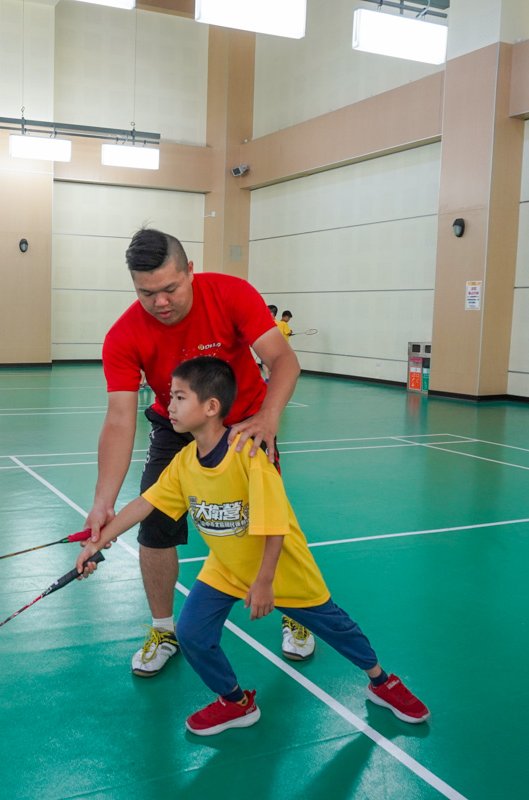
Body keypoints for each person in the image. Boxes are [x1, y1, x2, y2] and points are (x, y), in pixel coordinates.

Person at [76, 357, 429, 735]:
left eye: (179, 398)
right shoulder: (183, 462)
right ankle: (235, 702)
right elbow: (147, 503)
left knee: (338, 629)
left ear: (211, 407)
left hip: (281, 570)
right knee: (192, 634)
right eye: (170, 397)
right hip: (226, 567)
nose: (170, 406)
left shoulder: (248, 456)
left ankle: (381, 681)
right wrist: (99, 540)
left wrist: (264, 583)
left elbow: (274, 526)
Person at [87, 227, 313, 678]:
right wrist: (102, 502)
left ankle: (298, 611)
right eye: (146, 293)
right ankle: (163, 629)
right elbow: (118, 419)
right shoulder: (125, 334)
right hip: (174, 424)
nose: (160, 302)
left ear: (191, 271)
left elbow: (284, 360)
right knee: (153, 528)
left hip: (247, 422)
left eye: (170, 288)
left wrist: (268, 418)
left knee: (268, 519)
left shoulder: (231, 294)